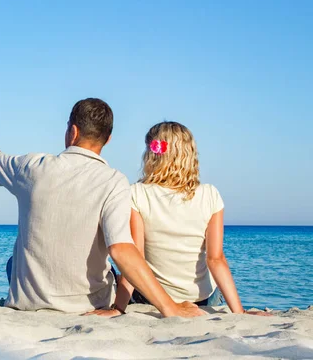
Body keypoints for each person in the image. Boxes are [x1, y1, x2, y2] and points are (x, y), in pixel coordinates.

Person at [0, 98, 203, 317]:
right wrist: (169, 307)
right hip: (88, 304)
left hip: (29, 303)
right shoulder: (113, 181)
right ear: (108, 139)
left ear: (72, 131)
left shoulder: (32, 167)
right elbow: (121, 249)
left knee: (13, 262)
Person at [108, 121, 269, 316]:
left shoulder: (137, 194)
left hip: (156, 299)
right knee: (212, 287)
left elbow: (136, 257)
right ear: (189, 154)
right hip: (203, 298)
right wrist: (239, 312)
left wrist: (119, 308)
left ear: (152, 154)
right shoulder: (210, 195)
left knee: (112, 276)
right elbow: (215, 259)